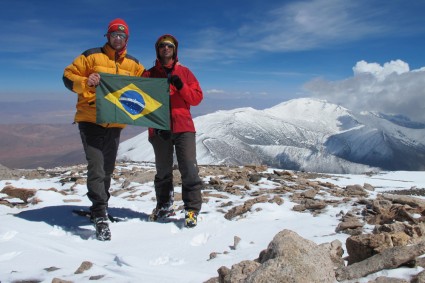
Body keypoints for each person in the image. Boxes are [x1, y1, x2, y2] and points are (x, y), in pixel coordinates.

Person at [62, 18, 145, 241]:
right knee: (97, 167)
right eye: (114, 35)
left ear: (127, 39)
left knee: (107, 170)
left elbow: (147, 85)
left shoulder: (134, 64)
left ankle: (101, 208)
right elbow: (68, 76)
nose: (118, 39)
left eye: (122, 36)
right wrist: (85, 80)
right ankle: (99, 214)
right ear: (107, 36)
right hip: (91, 119)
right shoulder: (91, 55)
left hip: (115, 123)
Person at [143, 34, 203, 228]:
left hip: (183, 127)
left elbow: (196, 98)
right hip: (160, 128)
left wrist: (180, 86)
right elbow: (137, 98)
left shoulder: (185, 73)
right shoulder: (149, 74)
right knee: (162, 171)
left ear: (175, 49)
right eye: (162, 46)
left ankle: (191, 210)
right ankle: (164, 205)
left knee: (189, 169)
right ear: (157, 49)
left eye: (169, 46)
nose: (166, 48)